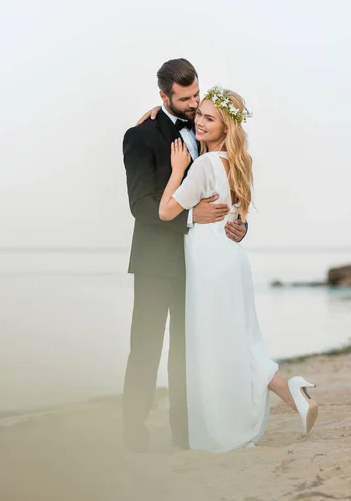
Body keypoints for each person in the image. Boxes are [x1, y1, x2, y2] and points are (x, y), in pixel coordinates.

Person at [158, 85, 319, 452]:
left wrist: (176, 169)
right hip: (231, 261)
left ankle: (285, 395)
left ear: (226, 127)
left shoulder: (203, 165)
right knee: (239, 343)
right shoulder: (238, 165)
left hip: (210, 264)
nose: (199, 121)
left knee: (221, 346)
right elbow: (238, 221)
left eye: (209, 118)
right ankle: (292, 393)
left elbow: (166, 211)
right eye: (200, 114)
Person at [122, 59, 247, 452]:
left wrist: (239, 226)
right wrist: (191, 215)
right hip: (157, 263)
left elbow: (231, 194)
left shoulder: (209, 132)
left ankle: (184, 432)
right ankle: (132, 431)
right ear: (164, 97)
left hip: (200, 262)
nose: (194, 105)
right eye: (185, 99)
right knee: (145, 346)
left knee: (187, 349)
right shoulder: (140, 137)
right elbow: (141, 205)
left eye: (196, 95)